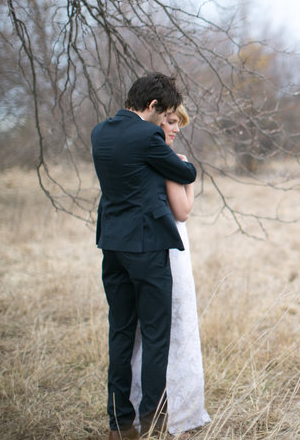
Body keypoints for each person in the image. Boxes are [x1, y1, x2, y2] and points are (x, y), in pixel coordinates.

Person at [92, 73, 197, 440]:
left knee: (120, 333)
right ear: (152, 107)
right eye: (165, 113)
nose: (165, 120)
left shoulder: (100, 132)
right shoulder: (147, 135)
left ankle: (119, 423)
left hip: (112, 245)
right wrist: (181, 164)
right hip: (147, 247)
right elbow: (184, 171)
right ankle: (153, 420)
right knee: (155, 335)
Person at [129, 105, 211, 436]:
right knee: (175, 326)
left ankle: (137, 410)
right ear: (158, 118)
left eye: (179, 124)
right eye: (172, 122)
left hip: (139, 246)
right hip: (170, 248)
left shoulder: (136, 154)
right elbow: (183, 210)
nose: (176, 129)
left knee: (140, 333)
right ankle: (178, 414)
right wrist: (187, 173)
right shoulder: (169, 160)